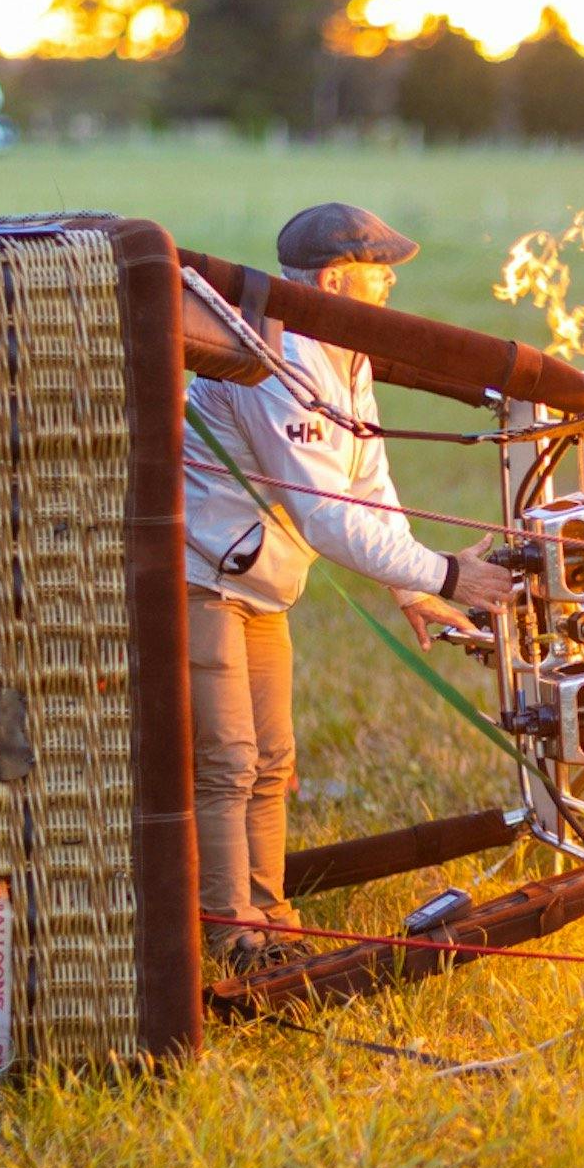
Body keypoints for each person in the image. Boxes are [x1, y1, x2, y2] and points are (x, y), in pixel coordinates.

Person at [183, 202, 514, 970]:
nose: (392, 281)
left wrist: (410, 589)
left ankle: (274, 921)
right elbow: (328, 519)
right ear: (334, 279)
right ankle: (232, 937)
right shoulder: (280, 363)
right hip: (201, 575)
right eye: (380, 270)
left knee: (272, 759)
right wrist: (451, 573)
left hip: (260, 582)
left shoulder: (348, 354)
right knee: (226, 760)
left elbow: (369, 477)